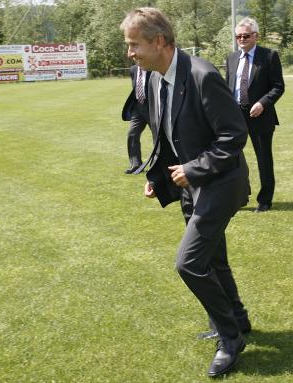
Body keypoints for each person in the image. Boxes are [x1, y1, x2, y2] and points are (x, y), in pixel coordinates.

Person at [120, 8, 251, 378]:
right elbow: (169, 138)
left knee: (190, 263)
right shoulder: (156, 77)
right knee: (212, 259)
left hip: (220, 183)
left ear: (158, 41)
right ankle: (237, 321)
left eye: (135, 45)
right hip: (193, 187)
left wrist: (193, 170)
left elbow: (233, 135)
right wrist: (159, 178)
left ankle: (230, 339)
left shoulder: (201, 74)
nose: (131, 53)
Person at [226, 17, 285, 212]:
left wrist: (263, 103)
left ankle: (265, 200)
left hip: (260, 116)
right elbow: (228, 88)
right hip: (235, 117)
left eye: (246, 35)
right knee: (232, 158)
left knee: (264, 160)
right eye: (238, 36)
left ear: (256, 36)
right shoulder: (231, 59)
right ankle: (240, 195)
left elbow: (278, 87)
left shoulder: (269, 56)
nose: (241, 39)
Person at [122, 65, 151, 174]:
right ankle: (136, 164)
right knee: (132, 134)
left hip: (152, 107)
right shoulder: (133, 70)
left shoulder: (154, 70)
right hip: (137, 108)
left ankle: (160, 163)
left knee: (158, 136)